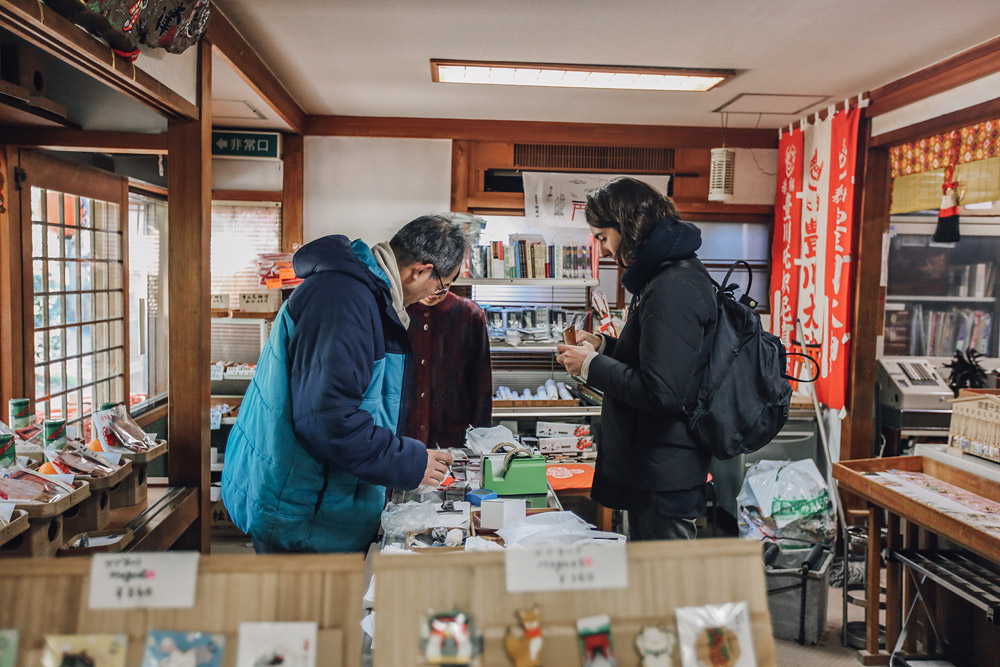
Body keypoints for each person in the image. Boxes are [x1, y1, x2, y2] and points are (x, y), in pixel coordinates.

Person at [222, 215, 466, 553]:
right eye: (441, 287)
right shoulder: (345, 302)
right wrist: (408, 462)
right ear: (421, 271)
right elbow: (328, 420)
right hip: (303, 510)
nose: (436, 296)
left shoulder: (364, 296)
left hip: (312, 497)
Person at [555, 177, 717, 541]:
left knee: (663, 575)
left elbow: (663, 391)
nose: (603, 249)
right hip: (654, 465)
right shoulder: (663, 276)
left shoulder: (673, 285)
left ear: (627, 227)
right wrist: (602, 346)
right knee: (649, 572)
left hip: (665, 471)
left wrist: (590, 366)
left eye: (602, 237)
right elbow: (657, 359)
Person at [404, 286, 493, 448]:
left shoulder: (470, 314)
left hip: (453, 439)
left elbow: (482, 383)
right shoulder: (395, 310)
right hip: (402, 438)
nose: (432, 292)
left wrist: (481, 440)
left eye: (442, 285)